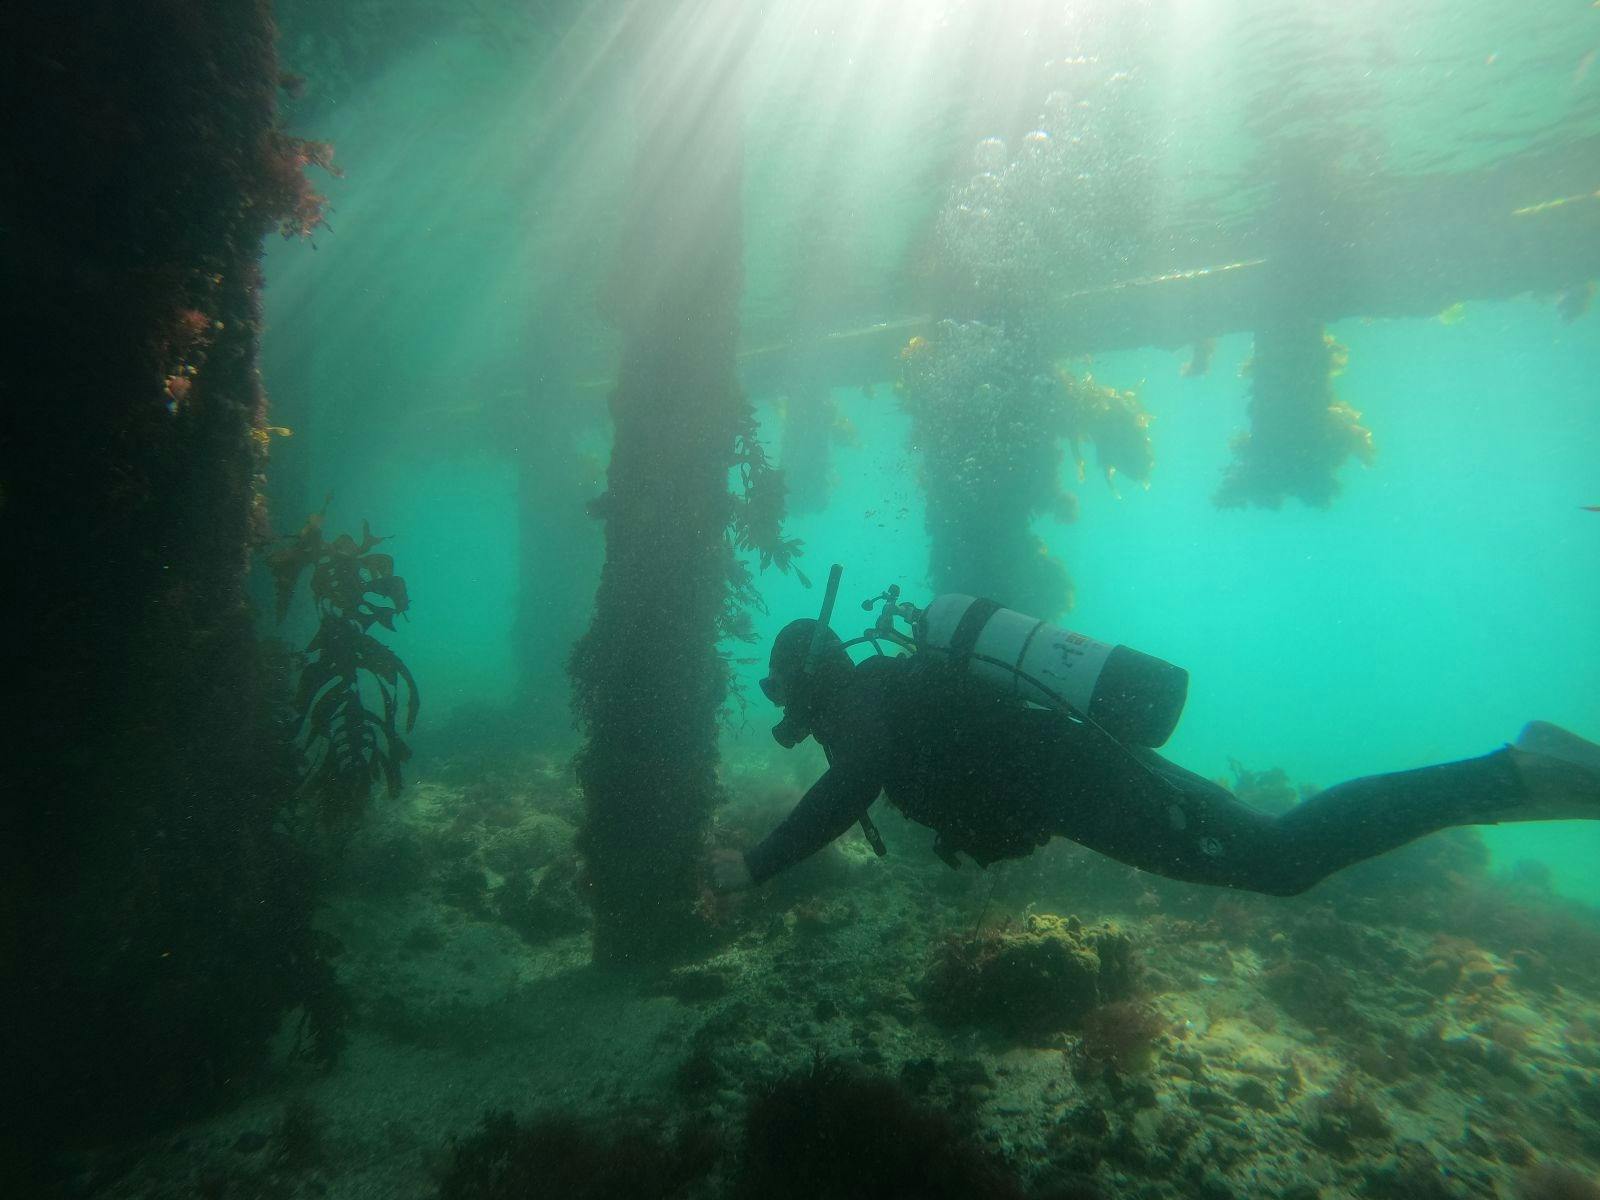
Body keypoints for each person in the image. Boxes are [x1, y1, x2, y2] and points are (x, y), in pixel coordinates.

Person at [711, 618, 1600, 896]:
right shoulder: (889, 687)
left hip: (1085, 780)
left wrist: (755, 864)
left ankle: (1513, 770)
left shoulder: (864, 700)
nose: (782, 710)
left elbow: (856, 779)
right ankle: (1515, 772)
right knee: (1271, 849)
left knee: (1278, 857)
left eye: (778, 688)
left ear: (807, 674)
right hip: (1084, 766)